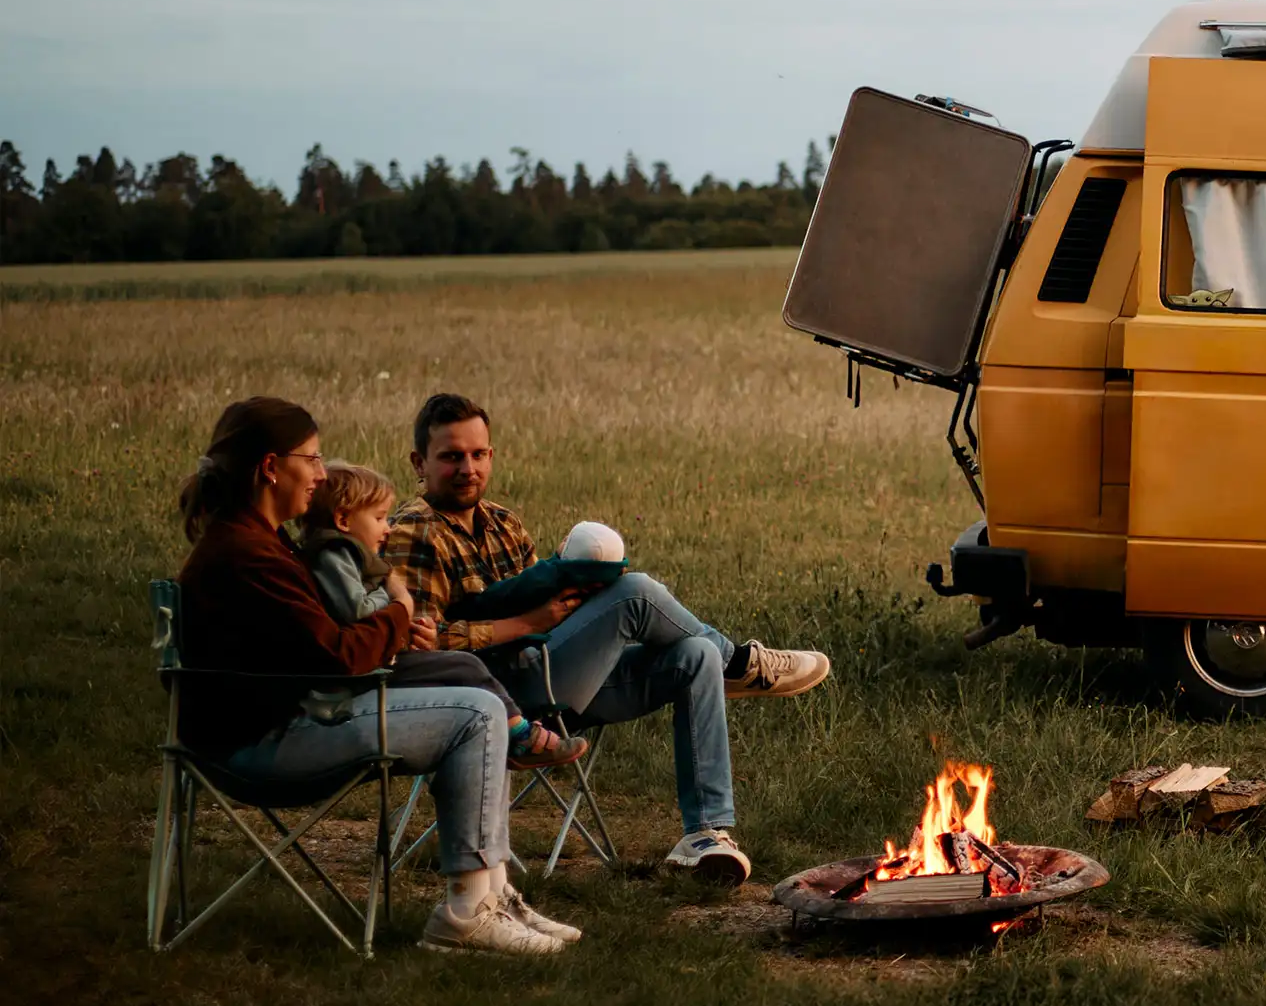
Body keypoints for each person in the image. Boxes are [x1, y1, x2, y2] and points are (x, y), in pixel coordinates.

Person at [172, 397, 578, 958]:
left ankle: (491, 892)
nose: (320, 473)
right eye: (310, 460)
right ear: (270, 467)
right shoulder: (248, 554)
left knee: (469, 695)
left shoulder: (260, 541)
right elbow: (340, 656)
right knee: (476, 713)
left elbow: (324, 645)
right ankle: (468, 911)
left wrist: (390, 628)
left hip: (282, 719)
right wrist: (398, 613)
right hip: (265, 743)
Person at [383, 391, 828, 888]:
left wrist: (572, 600)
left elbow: (541, 603)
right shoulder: (414, 532)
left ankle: (704, 835)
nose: (468, 468)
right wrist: (526, 624)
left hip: (557, 677)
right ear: (419, 463)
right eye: (451, 457)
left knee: (694, 654)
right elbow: (417, 650)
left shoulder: (503, 523)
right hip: (499, 698)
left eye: (478, 454)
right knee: (637, 593)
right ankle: (742, 663)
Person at [302, 464, 583, 769]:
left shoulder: (351, 557)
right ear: (343, 519)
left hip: (374, 665)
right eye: (379, 518)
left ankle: (517, 731)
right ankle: (519, 734)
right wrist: (395, 595)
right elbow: (358, 612)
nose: (388, 528)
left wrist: (406, 627)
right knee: (463, 665)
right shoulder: (332, 556)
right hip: (360, 680)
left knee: (464, 665)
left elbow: (366, 621)